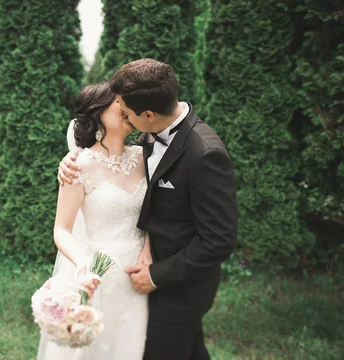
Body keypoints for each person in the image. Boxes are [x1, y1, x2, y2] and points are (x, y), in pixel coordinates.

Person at [58, 58, 238, 360]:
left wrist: (156, 275)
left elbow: (219, 240)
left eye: (127, 112)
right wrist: (70, 159)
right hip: (128, 277)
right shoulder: (147, 140)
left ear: (149, 115)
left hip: (177, 286)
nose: (124, 116)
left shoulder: (205, 155)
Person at [37, 82, 151, 360]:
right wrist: (83, 266)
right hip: (99, 278)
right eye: (118, 102)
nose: (126, 108)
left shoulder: (146, 156)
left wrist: (148, 249)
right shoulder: (79, 165)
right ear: (98, 112)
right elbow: (62, 229)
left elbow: (156, 213)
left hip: (140, 276)